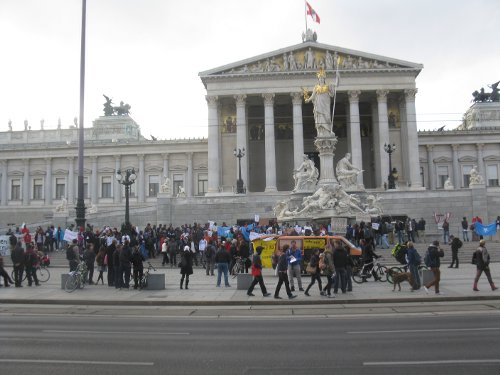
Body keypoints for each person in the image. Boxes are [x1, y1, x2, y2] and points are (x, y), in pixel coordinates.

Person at [304, 68, 337, 137]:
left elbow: (332, 94)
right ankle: (321, 132)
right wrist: (308, 100)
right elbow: (313, 96)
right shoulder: (316, 87)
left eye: (322, 78)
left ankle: (328, 131)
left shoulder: (327, 86)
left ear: (324, 79)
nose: (321, 79)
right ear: (318, 79)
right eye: (320, 78)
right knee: (320, 117)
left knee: (327, 117)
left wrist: (333, 88)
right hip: (318, 103)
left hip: (325, 103)